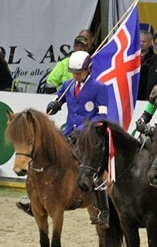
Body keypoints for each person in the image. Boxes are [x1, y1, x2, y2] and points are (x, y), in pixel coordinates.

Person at [16, 51, 110, 228]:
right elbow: (57, 101)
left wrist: (83, 129)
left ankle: (102, 210)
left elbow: (102, 116)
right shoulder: (68, 85)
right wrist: (54, 105)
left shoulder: (100, 88)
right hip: (68, 132)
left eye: (79, 72)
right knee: (42, 156)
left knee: (93, 169)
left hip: (89, 135)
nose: (76, 75)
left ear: (88, 70)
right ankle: (34, 199)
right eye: (74, 72)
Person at [137, 31, 156, 101]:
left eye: (144, 41)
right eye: (139, 41)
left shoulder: (154, 59)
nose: (141, 43)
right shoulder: (130, 58)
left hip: (145, 98)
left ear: (150, 43)